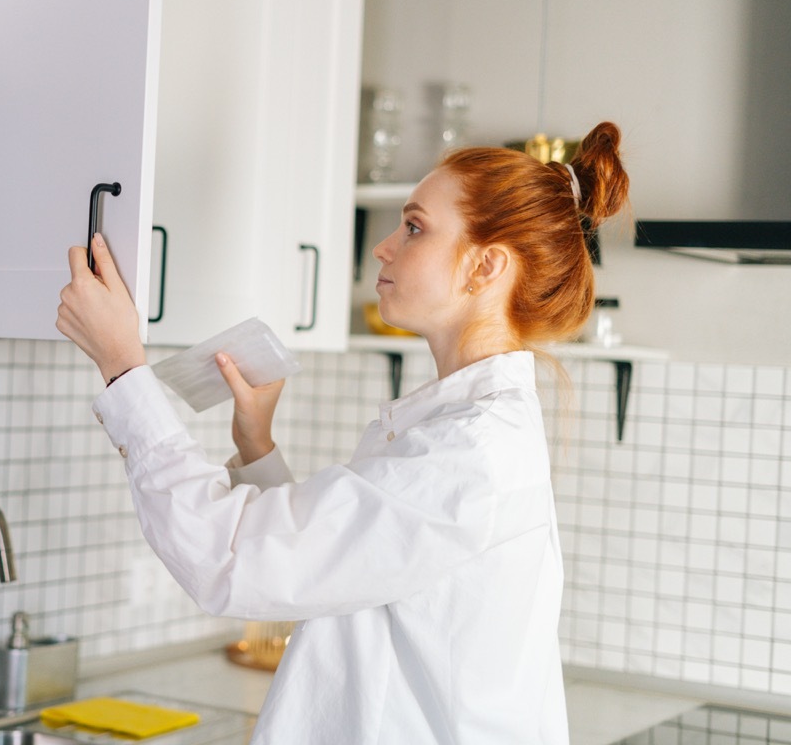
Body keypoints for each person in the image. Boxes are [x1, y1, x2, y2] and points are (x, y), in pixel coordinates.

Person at [56, 121, 629, 744]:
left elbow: (229, 558)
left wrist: (122, 365)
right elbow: (338, 577)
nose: (384, 247)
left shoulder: (467, 453)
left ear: (485, 267)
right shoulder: (462, 431)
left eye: (414, 227)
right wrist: (257, 445)